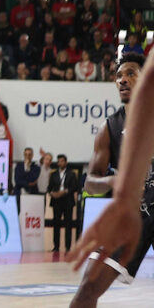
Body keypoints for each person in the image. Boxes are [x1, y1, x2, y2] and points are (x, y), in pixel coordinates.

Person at [67, 54, 153, 305]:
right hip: (134, 214)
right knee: (88, 288)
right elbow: (89, 182)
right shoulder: (109, 128)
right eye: (119, 76)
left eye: (131, 74)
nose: (123, 80)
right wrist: (112, 183)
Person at [47, 154, 78, 252]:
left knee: (68, 224)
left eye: (62, 161)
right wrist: (52, 193)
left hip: (67, 201)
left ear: (66, 162)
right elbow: (49, 187)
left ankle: (68, 247)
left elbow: (74, 187)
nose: (60, 163)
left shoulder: (71, 174)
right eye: (58, 161)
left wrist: (64, 191)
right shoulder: (54, 174)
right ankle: (56, 246)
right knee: (56, 224)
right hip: (56, 201)